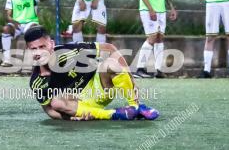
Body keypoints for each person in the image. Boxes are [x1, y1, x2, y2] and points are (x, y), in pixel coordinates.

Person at [25, 25, 158, 121]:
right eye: (34, 49)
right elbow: (50, 111)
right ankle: (112, 115)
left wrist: (131, 80)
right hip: (78, 106)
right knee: (56, 103)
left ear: (51, 44)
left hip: (99, 88)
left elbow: (109, 48)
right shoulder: (37, 82)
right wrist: (72, 116)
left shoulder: (69, 51)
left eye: (42, 46)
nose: (39, 52)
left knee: (111, 64)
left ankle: (135, 106)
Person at [0, 0, 58, 66]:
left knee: (35, 29)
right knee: (6, 29)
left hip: (30, 23)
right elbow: (7, 15)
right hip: (17, 24)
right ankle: (7, 60)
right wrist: (13, 21)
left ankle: (38, 59)